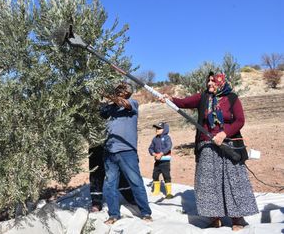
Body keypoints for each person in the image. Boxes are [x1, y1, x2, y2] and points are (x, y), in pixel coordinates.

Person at [160, 72, 258, 231]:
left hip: (229, 145)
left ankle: (237, 219)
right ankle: (215, 217)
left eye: (213, 81)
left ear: (221, 82)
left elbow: (240, 120)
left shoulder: (232, 98)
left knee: (232, 181)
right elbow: (183, 103)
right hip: (206, 145)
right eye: (208, 81)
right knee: (209, 183)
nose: (210, 84)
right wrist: (169, 99)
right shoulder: (203, 97)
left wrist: (224, 133)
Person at [100, 82, 152, 224]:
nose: (119, 90)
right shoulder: (110, 108)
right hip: (109, 151)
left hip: (127, 151)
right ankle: (113, 215)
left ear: (128, 93)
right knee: (110, 184)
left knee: (136, 182)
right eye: (118, 88)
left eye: (122, 89)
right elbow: (100, 112)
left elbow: (123, 103)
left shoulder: (132, 104)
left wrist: (107, 94)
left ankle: (146, 213)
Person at [89, 145, 136, 212]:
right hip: (96, 145)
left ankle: (130, 197)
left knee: (119, 172)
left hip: (112, 145)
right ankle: (96, 202)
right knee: (96, 174)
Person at [148, 122, 173, 199]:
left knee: (166, 176)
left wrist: (161, 154)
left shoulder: (167, 138)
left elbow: (169, 146)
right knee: (155, 175)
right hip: (157, 161)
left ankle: (169, 192)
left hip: (165, 161)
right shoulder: (155, 139)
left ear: (164, 129)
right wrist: (153, 153)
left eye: (159, 128)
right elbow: (150, 148)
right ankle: (156, 191)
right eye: (156, 128)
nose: (157, 130)